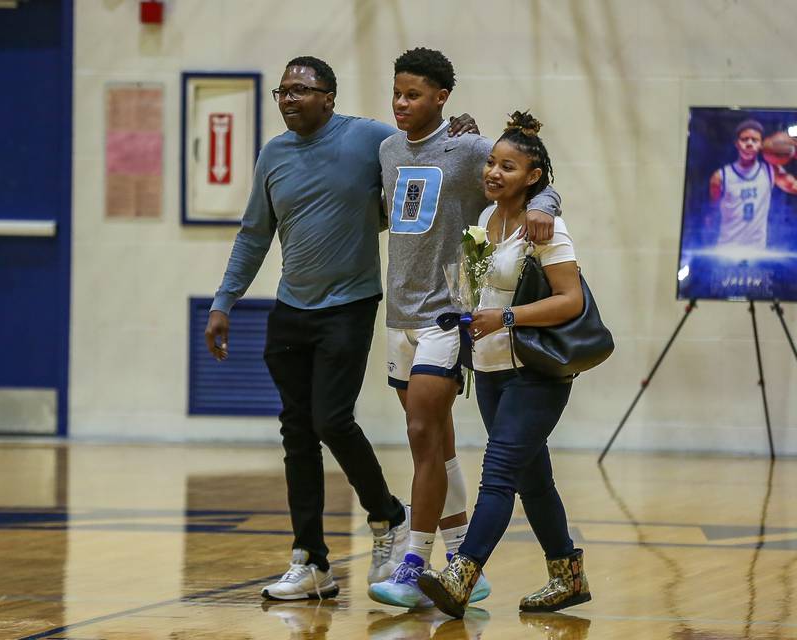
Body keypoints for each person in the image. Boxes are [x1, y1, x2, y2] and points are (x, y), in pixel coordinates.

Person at [204, 55, 477, 601]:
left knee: (331, 418)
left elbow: (420, 154)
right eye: (282, 90)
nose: (288, 98)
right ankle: (311, 561)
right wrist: (224, 301)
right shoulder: (273, 156)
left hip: (351, 304)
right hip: (290, 310)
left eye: (300, 90)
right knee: (297, 431)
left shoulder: (372, 140)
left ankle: (388, 516)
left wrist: (460, 130)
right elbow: (255, 234)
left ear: (329, 96)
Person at [368, 48, 561, 609]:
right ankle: (462, 564)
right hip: (397, 316)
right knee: (438, 443)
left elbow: (531, 172)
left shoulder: (470, 147)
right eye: (396, 93)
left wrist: (546, 202)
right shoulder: (385, 149)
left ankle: (413, 561)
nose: (401, 104)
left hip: (445, 315)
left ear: (442, 97)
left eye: (413, 95)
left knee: (424, 434)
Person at [416, 111, 591, 619]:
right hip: (490, 372)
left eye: (507, 167)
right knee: (533, 481)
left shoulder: (545, 227)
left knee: (497, 475)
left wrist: (507, 316)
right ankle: (567, 576)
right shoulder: (488, 220)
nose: (493, 172)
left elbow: (571, 300)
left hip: (535, 373)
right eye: (491, 163)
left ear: (533, 178)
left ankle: (461, 574)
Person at [708, 119, 797, 249]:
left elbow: (794, 187)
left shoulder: (771, 170)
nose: (749, 144)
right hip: (726, 248)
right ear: (737, 144)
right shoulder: (720, 177)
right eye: (744, 139)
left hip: (757, 250)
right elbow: (712, 212)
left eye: (754, 140)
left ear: (761, 145)